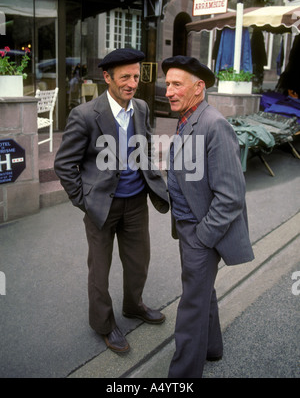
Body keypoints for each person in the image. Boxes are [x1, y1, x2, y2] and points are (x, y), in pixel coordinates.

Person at [54, 48, 169, 354]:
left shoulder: (141, 109)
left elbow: (144, 148)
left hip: (135, 203)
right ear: (107, 77)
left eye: (136, 76)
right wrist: (84, 200)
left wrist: (153, 180)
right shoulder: (85, 115)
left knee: (138, 262)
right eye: (124, 77)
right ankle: (104, 324)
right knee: (99, 271)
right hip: (101, 207)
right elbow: (64, 164)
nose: (132, 83)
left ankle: (133, 306)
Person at [162, 55, 255, 378]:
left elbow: (231, 196)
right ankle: (212, 349)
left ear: (198, 88)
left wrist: (204, 236)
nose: (168, 91)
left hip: (201, 233)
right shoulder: (188, 117)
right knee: (202, 293)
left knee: (191, 305)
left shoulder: (215, 124)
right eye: (167, 84)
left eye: (176, 85)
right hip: (188, 227)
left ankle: (182, 377)